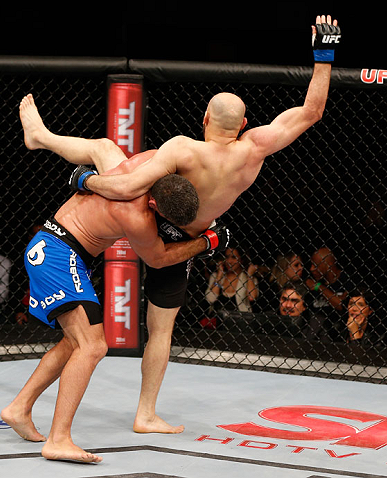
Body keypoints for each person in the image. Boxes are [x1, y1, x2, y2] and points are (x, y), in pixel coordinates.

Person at [30, 14, 340, 433]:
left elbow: (128, 189)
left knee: (105, 152)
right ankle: (145, 413)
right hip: (185, 240)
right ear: (244, 125)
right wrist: (324, 53)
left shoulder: (184, 148)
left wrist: (85, 180)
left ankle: (44, 139)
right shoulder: (254, 151)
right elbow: (312, 110)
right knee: (160, 330)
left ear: (206, 119)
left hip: (145, 217)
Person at [1, 122, 229, 463]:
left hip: (61, 252)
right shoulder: (134, 213)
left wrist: (84, 178)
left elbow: (102, 148)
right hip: (59, 255)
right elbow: (159, 257)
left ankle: (19, 408)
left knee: (73, 343)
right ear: (153, 203)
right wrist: (205, 242)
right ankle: (58, 439)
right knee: (93, 346)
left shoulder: (148, 164)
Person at [303, 246, 356, 342]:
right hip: (314, 336)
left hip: (338, 336)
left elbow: (341, 304)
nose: (311, 269)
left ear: (329, 265)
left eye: (316, 265)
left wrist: (318, 287)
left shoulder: (347, 280)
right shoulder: (314, 283)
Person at [205, 247, 258, 317]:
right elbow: (211, 298)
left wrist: (249, 276)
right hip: (217, 320)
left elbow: (252, 297)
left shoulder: (247, 279)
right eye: (227, 257)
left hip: (241, 321)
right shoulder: (216, 276)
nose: (229, 261)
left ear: (241, 260)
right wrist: (219, 275)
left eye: (234, 257)